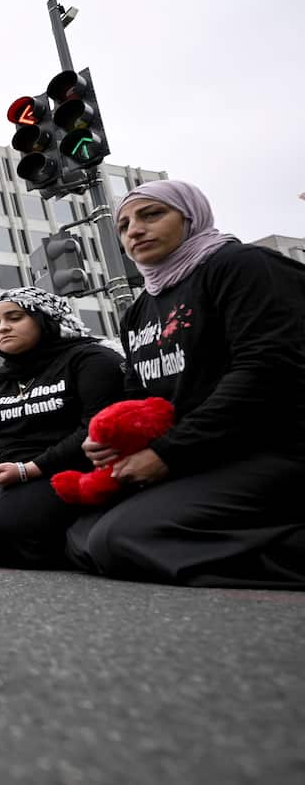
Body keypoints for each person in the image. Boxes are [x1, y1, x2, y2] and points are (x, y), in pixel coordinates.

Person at [66, 180, 305, 588]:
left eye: (151, 215)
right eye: (123, 226)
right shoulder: (140, 308)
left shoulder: (243, 265)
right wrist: (109, 437)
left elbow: (266, 372)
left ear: (191, 217)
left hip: (271, 450)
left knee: (122, 537)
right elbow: (137, 394)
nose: (134, 231)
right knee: (80, 532)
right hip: (196, 457)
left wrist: (168, 453)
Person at [0, 287, 126, 568]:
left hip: (66, 470)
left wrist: (29, 469)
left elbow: (95, 428)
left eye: (14, 318)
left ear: (45, 319)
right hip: (8, 474)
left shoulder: (90, 360)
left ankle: (82, 538)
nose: (3, 328)